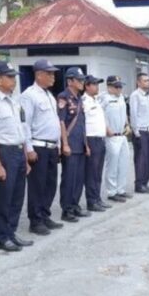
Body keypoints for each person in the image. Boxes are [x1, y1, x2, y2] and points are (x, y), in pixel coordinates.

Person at [0, 61, 33, 252]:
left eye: (14, 77)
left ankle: (11, 232)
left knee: (17, 196)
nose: (14, 80)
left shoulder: (15, 101)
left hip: (18, 151)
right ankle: (2, 237)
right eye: (10, 77)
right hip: (4, 152)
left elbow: (23, 129)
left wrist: (26, 157)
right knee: (4, 197)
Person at [20, 59, 64, 236]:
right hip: (38, 146)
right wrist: (29, 149)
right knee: (37, 186)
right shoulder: (29, 95)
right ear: (38, 75)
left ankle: (45, 215)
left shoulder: (49, 95)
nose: (53, 77)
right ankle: (36, 220)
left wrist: (58, 144)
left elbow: (54, 122)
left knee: (50, 184)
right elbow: (25, 124)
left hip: (51, 146)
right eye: (49, 73)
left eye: (53, 73)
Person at [57, 67, 89, 222]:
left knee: (79, 179)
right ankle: (67, 209)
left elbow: (82, 124)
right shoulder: (63, 97)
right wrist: (64, 144)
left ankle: (75, 205)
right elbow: (62, 122)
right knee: (69, 178)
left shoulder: (79, 98)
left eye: (83, 80)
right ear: (70, 81)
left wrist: (86, 145)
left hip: (80, 145)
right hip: (70, 145)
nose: (82, 82)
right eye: (79, 80)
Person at [101, 75, 133, 203]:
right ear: (109, 87)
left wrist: (127, 125)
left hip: (122, 135)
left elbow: (124, 113)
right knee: (112, 165)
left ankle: (121, 189)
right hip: (111, 136)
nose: (119, 89)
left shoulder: (121, 98)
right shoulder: (104, 99)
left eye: (120, 86)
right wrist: (106, 128)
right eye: (116, 86)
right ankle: (112, 191)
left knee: (123, 163)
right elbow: (100, 115)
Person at [83, 75, 110, 212]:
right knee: (91, 173)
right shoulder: (84, 102)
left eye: (97, 84)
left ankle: (97, 198)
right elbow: (82, 125)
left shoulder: (96, 100)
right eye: (94, 84)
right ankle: (91, 201)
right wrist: (85, 144)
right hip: (91, 139)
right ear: (87, 86)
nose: (97, 87)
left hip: (100, 139)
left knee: (98, 172)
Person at [130, 73, 149, 194]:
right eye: (145, 80)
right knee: (141, 159)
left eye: (148, 80)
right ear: (139, 83)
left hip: (148, 130)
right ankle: (139, 184)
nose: (148, 82)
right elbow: (133, 114)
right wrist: (136, 132)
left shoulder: (147, 96)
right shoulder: (135, 95)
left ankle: (145, 182)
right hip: (140, 131)